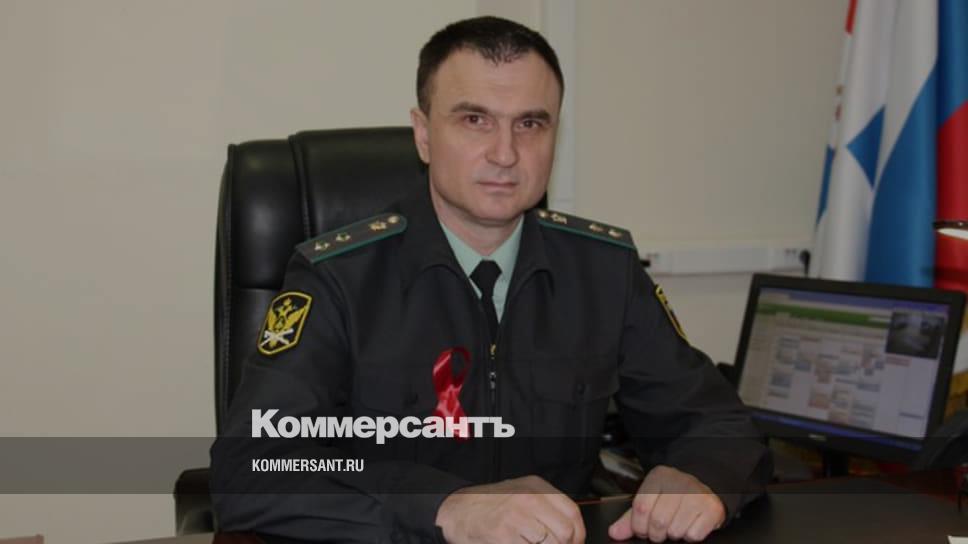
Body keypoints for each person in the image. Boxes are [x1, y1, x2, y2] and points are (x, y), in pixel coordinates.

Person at [211, 16, 771, 544]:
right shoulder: (339, 279)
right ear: (423, 134)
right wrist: (443, 506)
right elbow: (250, 467)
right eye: (474, 120)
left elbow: (719, 423)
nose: (505, 153)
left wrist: (702, 476)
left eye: (530, 123)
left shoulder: (603, 271)